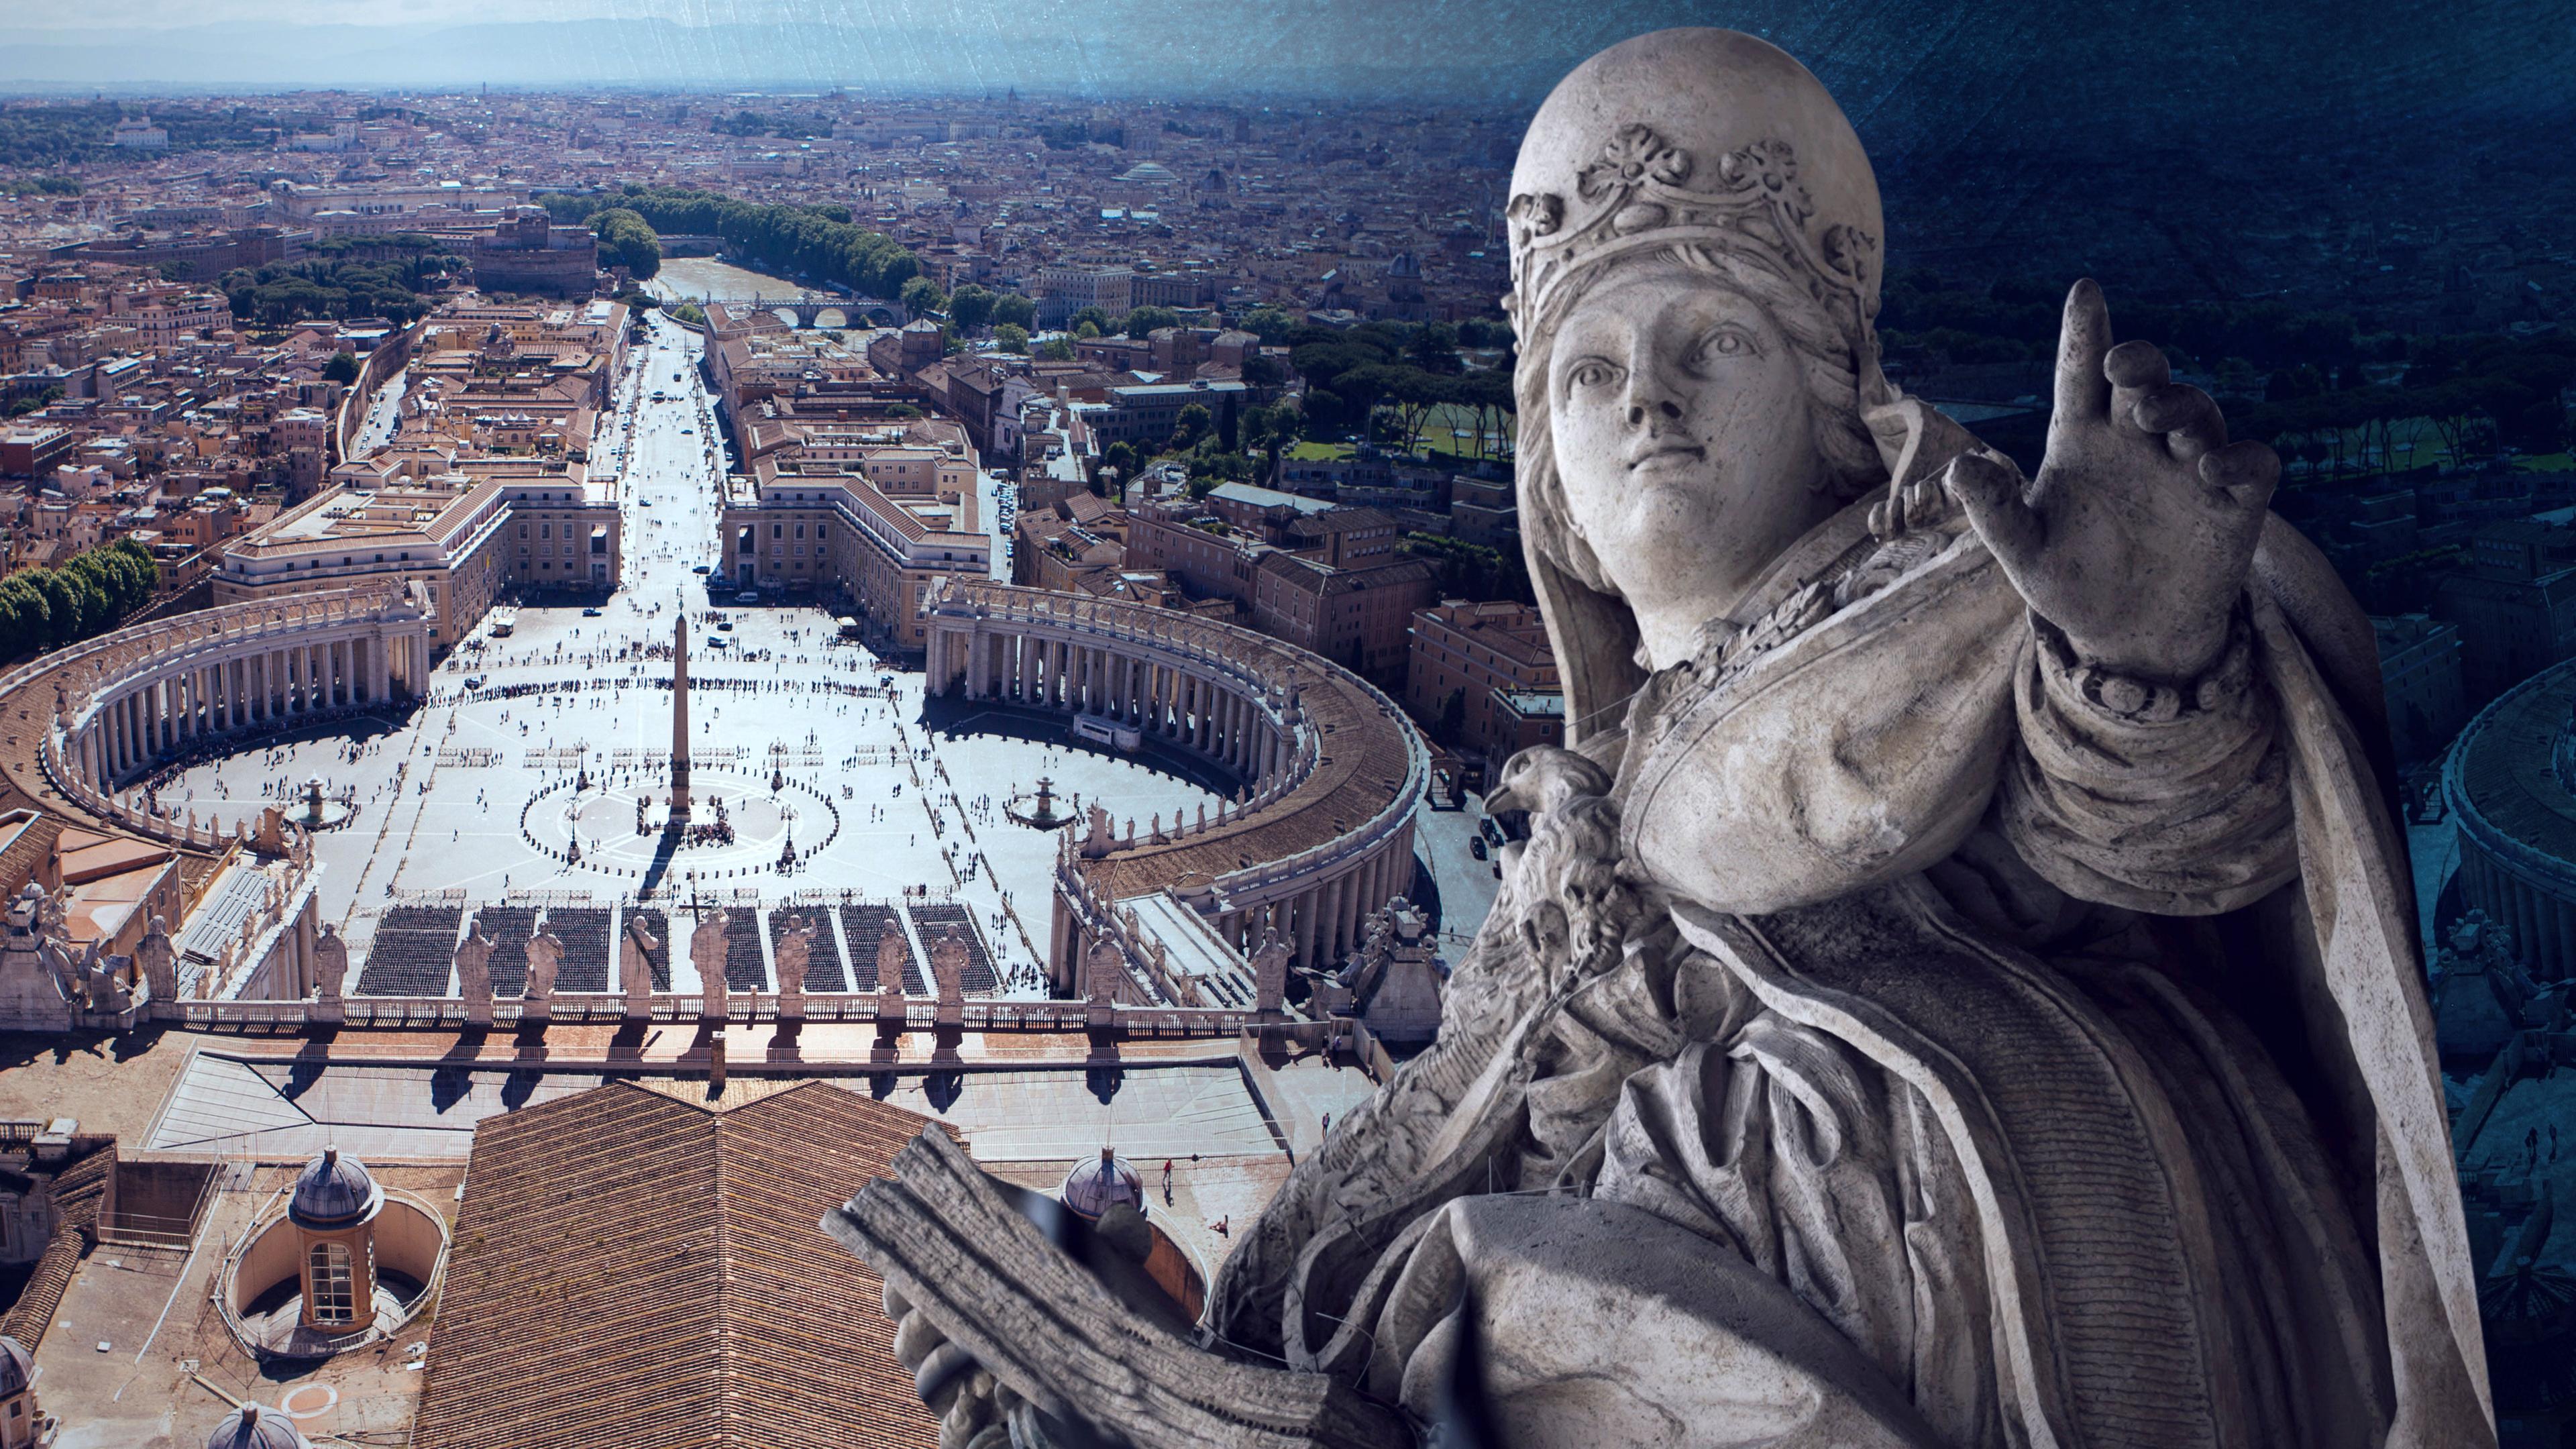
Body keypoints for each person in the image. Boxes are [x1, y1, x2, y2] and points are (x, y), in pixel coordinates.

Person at [869, 28, 2491, 1449]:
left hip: (1969, 1251)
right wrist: (1153, 1326)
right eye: (1589, 372)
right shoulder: (1591, 799)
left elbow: (2162, 851)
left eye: (1712, 343)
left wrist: (2135, 656)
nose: (1647, 399)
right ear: (1548, 476)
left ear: (1834, 391)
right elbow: (1437, 1164)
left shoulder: (1965, 596)